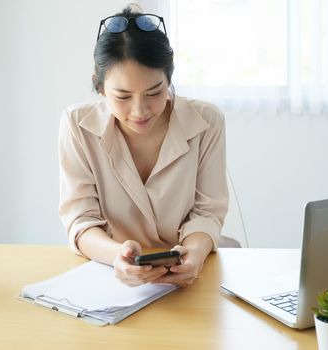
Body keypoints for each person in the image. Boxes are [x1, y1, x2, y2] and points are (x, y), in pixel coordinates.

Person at [58, 4, 228, 287]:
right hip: (111, 277)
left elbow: (207, 213)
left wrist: (195, 254)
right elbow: (81, 221)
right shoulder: (77, 125)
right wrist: (118, 257)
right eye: (123, 96)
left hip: (189, 277)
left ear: (169, 79)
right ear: (98, 86)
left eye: (154, 92)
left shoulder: (206, 121)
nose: (140, 110)